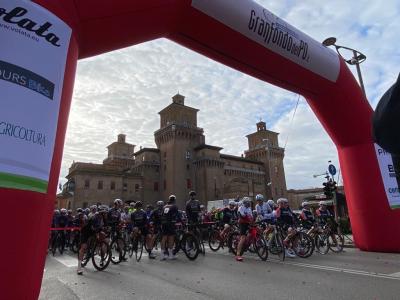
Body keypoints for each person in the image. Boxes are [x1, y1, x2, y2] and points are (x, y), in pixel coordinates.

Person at [77, 205, 108, 275]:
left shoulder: (103, 218)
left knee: (103, 237)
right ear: (101, 213)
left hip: (94, 232)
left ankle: (97, 250)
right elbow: (93, 228)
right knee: (83, 247)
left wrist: (106, 229)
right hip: (86, 232)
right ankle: (79, 267)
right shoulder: (95, 217)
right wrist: (99, 231)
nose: (106, 214)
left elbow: (105, 226)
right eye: (105, 213)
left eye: (106, 213)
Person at [160, 195, 180, 260]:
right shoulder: (174, 206)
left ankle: (162, 255)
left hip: (164, 223)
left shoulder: (164, 206)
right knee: (171, 238)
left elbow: (162, 215)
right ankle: (171, 255)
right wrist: (180, 221)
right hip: (170, 223)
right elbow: (177, 215)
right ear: (174, 200)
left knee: (164, 238)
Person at [236, 197, 253, 261]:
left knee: (254, 231)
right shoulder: (241, 208)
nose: (249, 203)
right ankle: (238, 255)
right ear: (245, 203)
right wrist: (249, 217)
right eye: (248, 202)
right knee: (243, 238)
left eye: (249, 202)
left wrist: (252, 219)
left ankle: (247, 245)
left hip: (248, 223)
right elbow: (243, 215)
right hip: (242, 223)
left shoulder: (249, 208)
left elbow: (251, 216)